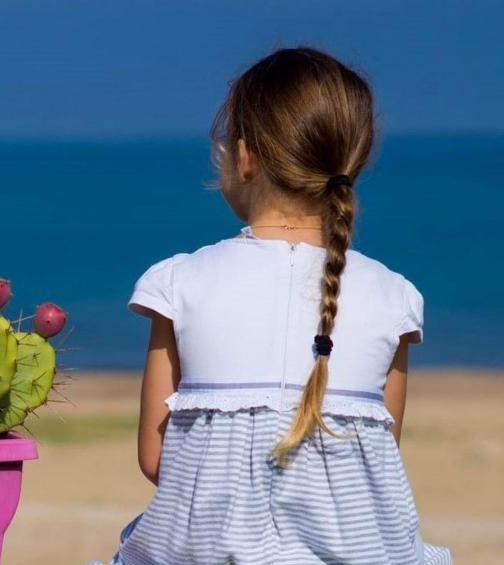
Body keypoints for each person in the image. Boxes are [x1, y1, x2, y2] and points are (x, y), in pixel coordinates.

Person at [94, 47, 451, 564]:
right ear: (350, 162)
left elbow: (157, 459)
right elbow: (382, 453)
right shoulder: (394, 296)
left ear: (245, 157)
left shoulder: (180, 283)